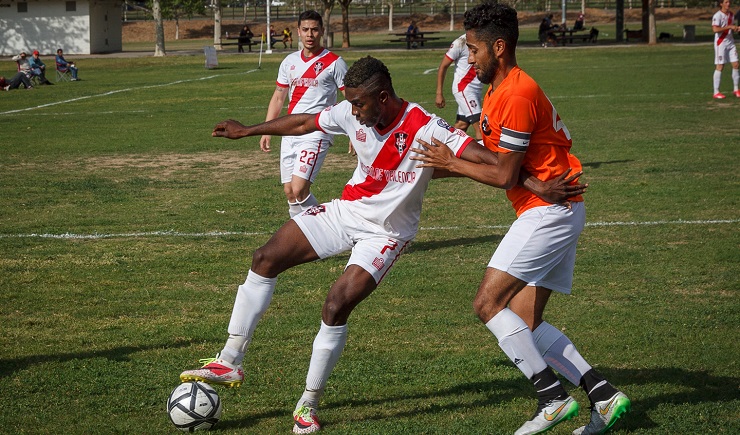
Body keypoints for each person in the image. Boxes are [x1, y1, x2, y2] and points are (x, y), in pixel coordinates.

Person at [179, 55, 586, 434]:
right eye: (350, 104)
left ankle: (307, 404)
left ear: (382, 97)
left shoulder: (425, 126)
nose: (353, 112)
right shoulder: (350, 110)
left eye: (359, 104)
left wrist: (537, 186)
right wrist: (248, 129)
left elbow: (491, 161)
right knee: (264, 258)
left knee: (336, 304)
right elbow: (305, 123)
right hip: (346, 212)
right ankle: (230, 361)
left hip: (386, 235)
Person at [412, 3, 630, 434]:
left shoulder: (514, 92)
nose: (467, 58)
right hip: (556, 207)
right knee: (526, 322)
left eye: (472, 49)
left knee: (487, 303)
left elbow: (502, 173)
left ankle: (551, 398)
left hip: (549, 214)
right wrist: (428, 169)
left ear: (499, 46)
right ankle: (603, 396)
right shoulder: (496, 88)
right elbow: (495, 159)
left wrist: (451, 165)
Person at [254, 11, 349, 218]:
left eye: (315, 29)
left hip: (317, 131)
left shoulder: (335, 62)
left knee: (299, 189)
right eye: (305, 30)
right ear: (298, 32)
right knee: (289, 192)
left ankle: (326, 228)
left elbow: (351, 99)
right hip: (289, 131)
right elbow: (279, 97)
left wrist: (355, 132)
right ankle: (301, 238)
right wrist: (267, 130)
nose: (310, 34)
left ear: (322, 31)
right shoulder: (289, 61)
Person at [436, 34, 483, 140]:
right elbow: (443, 66)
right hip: (465, 90)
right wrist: (439, 93)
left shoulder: (484, 39)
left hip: (476, 90)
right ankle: (486, 156)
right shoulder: (460, 43)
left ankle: (442, 149)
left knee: (461, 125)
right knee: (480, 128)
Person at [711, 0, 739, 99]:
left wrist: (736, 28)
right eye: (726, 2)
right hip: (721, 43)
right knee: (720, 66)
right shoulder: (717, 15)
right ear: (721, 4)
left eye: (729, 2)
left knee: (736, 64)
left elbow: (730, 28)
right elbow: (715, 29)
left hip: (730, 42)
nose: (728, 4)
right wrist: (729, 27)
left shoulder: (731, 15)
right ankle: (716, 91)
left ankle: (736, 89)